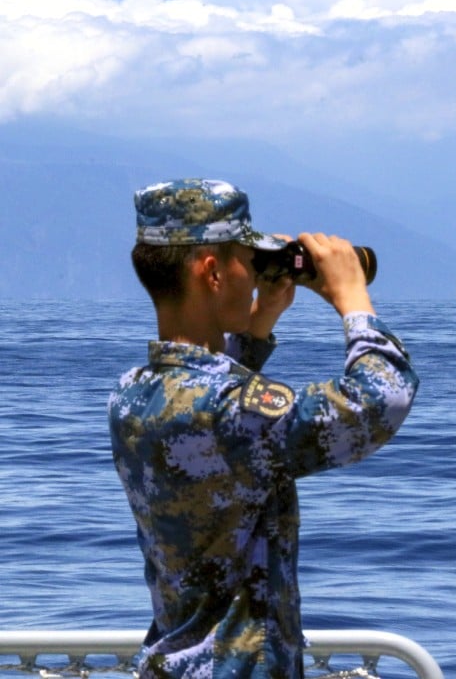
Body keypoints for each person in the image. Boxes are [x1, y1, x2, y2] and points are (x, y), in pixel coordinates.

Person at [108, 178, 419, 678]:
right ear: (211, 272)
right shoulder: (229, 413)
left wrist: (257, 323)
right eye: (246, 261)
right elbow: (380, 401)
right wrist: (352, 300)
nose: (254, 276)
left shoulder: (131, 394)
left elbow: (208, 410)